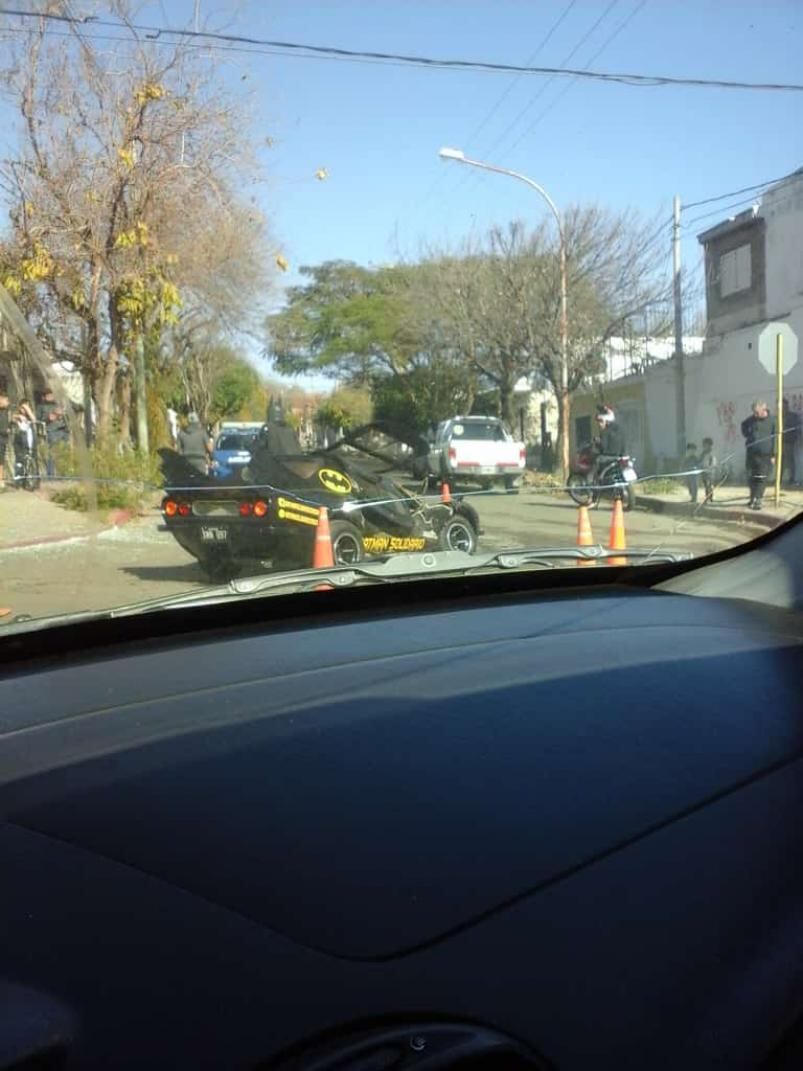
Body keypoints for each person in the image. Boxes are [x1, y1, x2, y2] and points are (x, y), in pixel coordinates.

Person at [740, 399, 775, 510]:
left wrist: (774, 454)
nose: (755, 414)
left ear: (764, 408)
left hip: (765, 454)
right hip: (751, 453)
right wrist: (748, 434)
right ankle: (752, 498)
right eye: (754, 412)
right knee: (751, 477)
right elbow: (743, 425)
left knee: (761, 478)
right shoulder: (750, 420)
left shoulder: (773, 420)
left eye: (757, 412)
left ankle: (758, 499)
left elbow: (776, 439)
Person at [781, 397, 801, 487]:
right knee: (780, 461)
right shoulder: (778, 416)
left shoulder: (792, 416)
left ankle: (792, 479)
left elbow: (797, 428)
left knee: (790, 461)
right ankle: (779, 478)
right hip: (779, 442)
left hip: (789, 441)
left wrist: (797, 439)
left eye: (783, 405)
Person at [699, 437, 717, 503]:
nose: (705, 446)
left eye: (707, 445)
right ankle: (707, 497)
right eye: (704, 445)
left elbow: (713, 462)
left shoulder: (712, 453)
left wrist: (711, 468)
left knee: (710, 485)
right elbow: (700, 461)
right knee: (706, 485)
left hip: (710, 472)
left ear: (710, 445)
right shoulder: (703, 453)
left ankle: (710, 497)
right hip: (704, 472)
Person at [0, 390, 10, 487]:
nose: (8, 403)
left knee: (1, 460)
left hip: (3, 439)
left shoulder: (5, 411)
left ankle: (1, 480)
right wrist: (4, 430)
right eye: (6, 400)